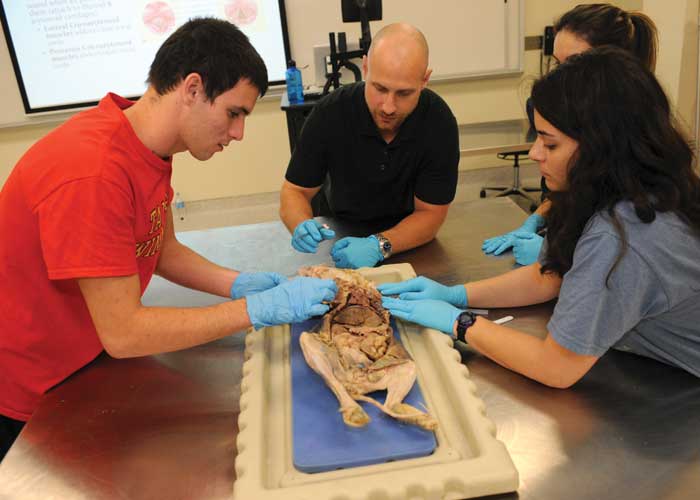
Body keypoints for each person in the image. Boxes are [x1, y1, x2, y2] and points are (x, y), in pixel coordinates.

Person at [0, 18, 337, 461]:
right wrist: (252, 310)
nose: (238, 133)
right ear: (193, 89)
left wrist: (237, 282)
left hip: (86, 360)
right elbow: (124, 332)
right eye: (234, 113)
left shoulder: (148, 146)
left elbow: (160, 248)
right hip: (33, 396)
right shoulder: (94, 173)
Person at [379, 47, 700, 388]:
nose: (534, 154)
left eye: (550, 144)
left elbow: (556, 367)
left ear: (601, 149)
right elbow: (549, 277)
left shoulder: (624, 235)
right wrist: (455, 294)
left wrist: (461, 323)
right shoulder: (628, 186)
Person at [482, 3, 658, 265]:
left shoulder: (641, 141)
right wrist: (537, 220)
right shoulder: (558, 106)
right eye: (556, 63)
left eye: (573, 63)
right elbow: (571, 190)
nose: (560, 76)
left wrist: (566, 257)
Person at [279, 23, 459, 269]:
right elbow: (294, 191)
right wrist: (300, 223)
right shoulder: (330, 113)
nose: (388, 106)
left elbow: (431, 214)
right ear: (365, 68)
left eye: (404, 93)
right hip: (339, 235)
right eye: (379, 88)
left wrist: (380, 244)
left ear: (425, 80)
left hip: (410, 238)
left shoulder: (438, 122)